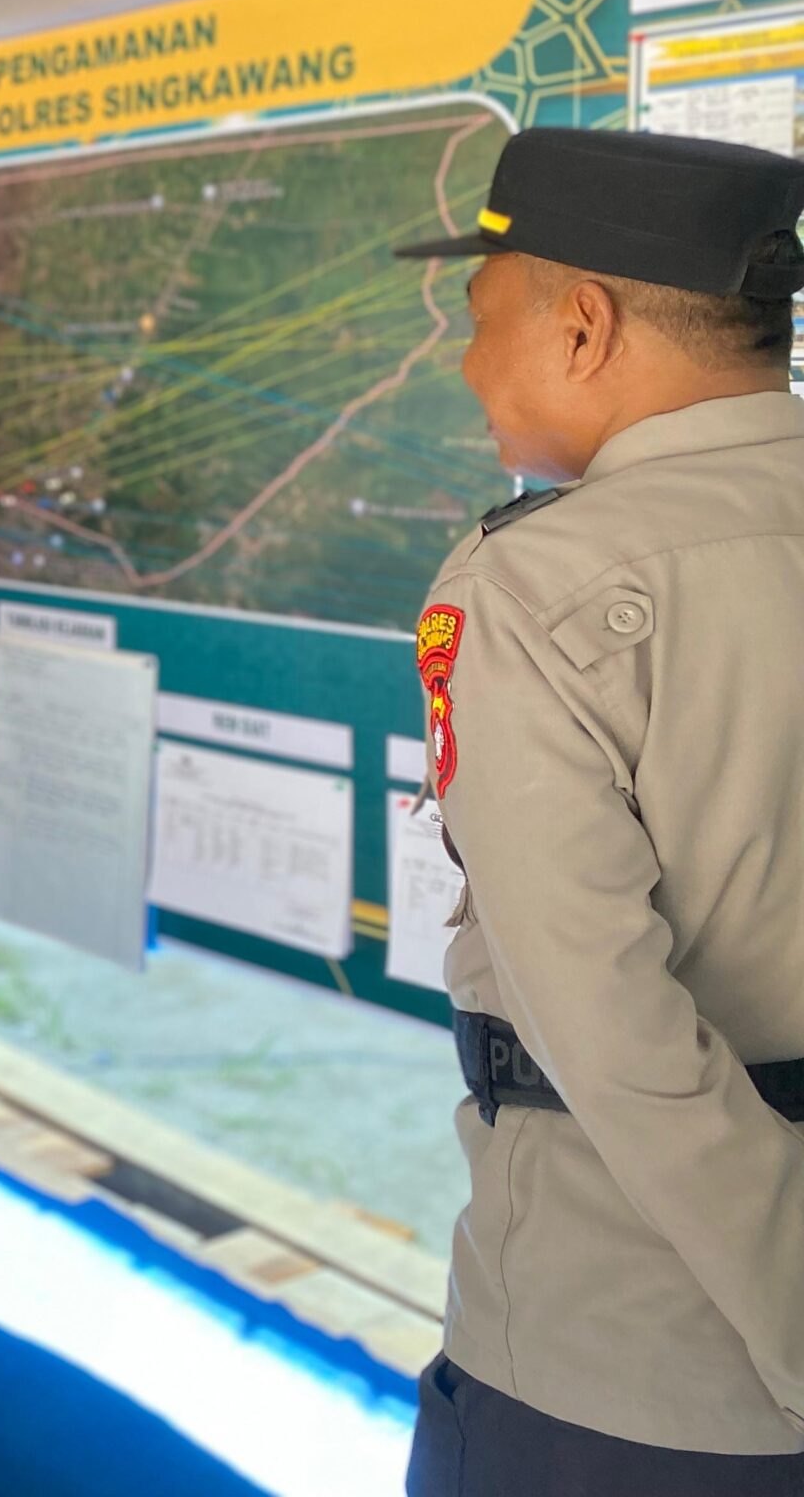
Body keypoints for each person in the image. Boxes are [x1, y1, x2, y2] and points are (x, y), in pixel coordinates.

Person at [392, 126, 804, 1494]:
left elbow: (616, 1038)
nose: (467, 366)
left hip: (624, 1373)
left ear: (583, 326)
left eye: (480, 320)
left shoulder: (531, 587)